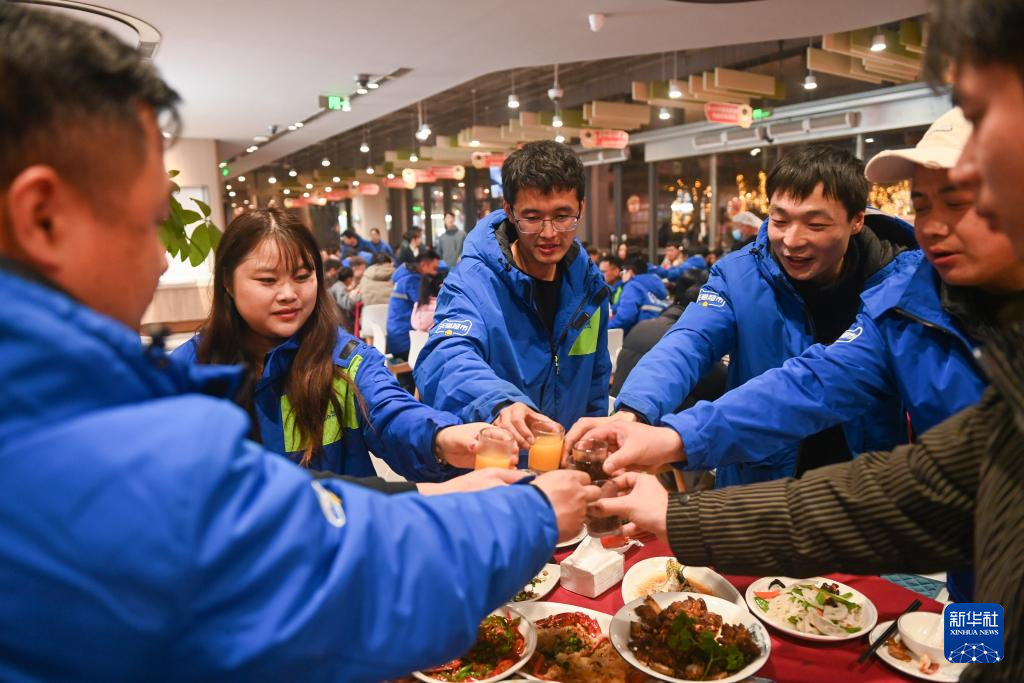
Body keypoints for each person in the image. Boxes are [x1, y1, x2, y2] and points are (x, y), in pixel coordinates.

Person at [0, 6, 601, 680]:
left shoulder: (340, 355)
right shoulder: (134, 419)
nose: (155, 265)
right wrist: (529, 512)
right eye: (147, 225)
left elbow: (387, 419)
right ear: (42, 216)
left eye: (302, 276)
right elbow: (320, 564)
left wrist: (442, 443)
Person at [580, 5, 1024, 680]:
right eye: (926, 201)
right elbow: (791, 380)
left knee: (899, 624)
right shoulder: (911, 299)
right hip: (831, 502)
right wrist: (650, 425)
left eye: (964, 197)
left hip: (895, 511)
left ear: (855, 220)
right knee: (971, 641)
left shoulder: (897, 283)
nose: (939, 224)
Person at [567, 144, 917, 486]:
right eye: (779, 220)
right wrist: (634, 412)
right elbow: (689, 342)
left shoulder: (897, 284)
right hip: (761, 484)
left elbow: (821, 384)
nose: (792, 241)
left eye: (815, 225)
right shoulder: (739, 275)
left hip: (864, 482)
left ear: (856, 220)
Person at [173, 208, 493, 481]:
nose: (288, 294)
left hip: (344, 546)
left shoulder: (346, 358)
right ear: (228, 282)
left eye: (302, 276)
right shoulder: (186, 374)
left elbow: (390, 411)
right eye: (268, 281)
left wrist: (441, 436)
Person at [415, 141, 611, 448]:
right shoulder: (473, 284)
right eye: (532, 217)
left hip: (563, 466)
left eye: (563, 216)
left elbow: (596, 380)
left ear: (581, 207)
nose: (549, 233)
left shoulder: (589, 287)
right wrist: (500, 403)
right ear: (509, 211)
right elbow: (445, 358)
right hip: (498, 467)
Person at [611, 281, 727, 409]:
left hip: (618, 405)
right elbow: (720, 380)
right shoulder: (690, 341)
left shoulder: (642, 325)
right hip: (650, 418)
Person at [388, 248, 440, 360]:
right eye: (434, 268)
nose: (436, 272)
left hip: (396, 337)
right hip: (405, 342)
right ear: (423, 265)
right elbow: (428, 309)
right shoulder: (412, 282)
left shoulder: (403, 278)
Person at [609, 256, 670, 334]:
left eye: (623, 272)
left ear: (630, 272)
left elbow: (625, 317)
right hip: (663, 333)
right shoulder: (656, 285)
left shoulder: (632, 285)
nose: (621, 276)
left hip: (644, 334)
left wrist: (604, 327)